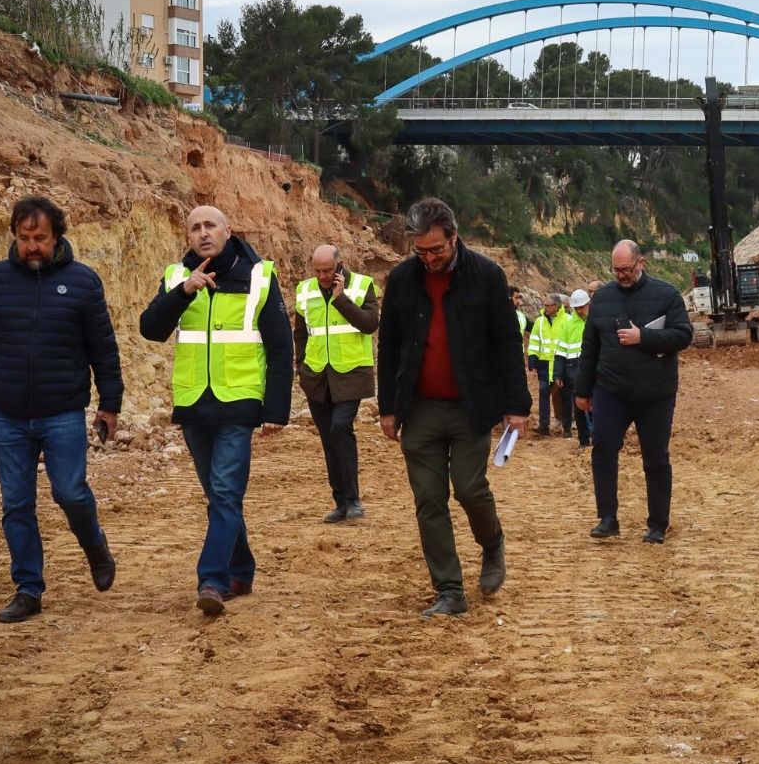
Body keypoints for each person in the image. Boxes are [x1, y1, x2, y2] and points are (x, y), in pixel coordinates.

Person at [0, 196, 123, 624]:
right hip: (7, 413)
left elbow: (104, 348)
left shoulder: (83, 282)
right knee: (16, 504)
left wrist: (110, 404)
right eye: (24, 238)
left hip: (62, 410)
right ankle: (28, 589)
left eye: (40, 238)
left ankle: (94, 544)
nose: (32, 246)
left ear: (57, 235)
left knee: (70, 492)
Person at [376, 198, 530, 617]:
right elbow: (387, 345)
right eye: (420, 251)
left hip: (471, 406)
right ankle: (450, 591)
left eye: (436, 250)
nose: (428, 259)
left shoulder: (486, 276)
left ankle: (492, 543)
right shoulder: (403, 280)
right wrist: (387, 407)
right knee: (428, 499)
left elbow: (506, 343)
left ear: (454, 237)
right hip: (420, 407)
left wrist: (517, 404)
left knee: (469, 487)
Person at [139, 205, 291, 616]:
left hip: (239, 402)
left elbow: (280, 346)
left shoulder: (259, 276)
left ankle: (212, 579)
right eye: (195, 228)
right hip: (193, 403)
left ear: (228, 230)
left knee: (225, 492)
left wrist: (276, 408)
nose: (203, 233)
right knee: (218, 495)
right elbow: (150, 329)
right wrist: (183, 291)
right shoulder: (176, 277)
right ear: (187, 236)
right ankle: (241, 569)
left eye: (210, 226)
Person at [575, 240, 693, 543]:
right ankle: (608, 518)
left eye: (626, 269)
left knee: (655, 458)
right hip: (611, 389)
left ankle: (657, 524)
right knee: (602, 449)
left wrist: (644, 337)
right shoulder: (602, 298)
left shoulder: (666, 295)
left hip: (656, 393)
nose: (621, 276)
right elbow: (590, 347)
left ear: (641, 263)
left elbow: (683, 335)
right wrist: (582, 390)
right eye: (616, 270)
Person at [292, 243, 379, 524]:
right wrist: (301, 368)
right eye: (317, 271)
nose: (322, 276)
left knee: (341, 427)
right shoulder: (304, 291)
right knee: (329, 439)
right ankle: (340, 503)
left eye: (328, 270)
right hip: (317, 377)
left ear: (339, 265)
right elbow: (301, 334)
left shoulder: (362, 286)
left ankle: (354, 500)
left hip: (350, 374)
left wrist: (341, 299)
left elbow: (369, 324)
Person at [553, 287, 592, 448]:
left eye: (582, 307)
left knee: (596, 406)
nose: (579, 311)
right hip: (573, 371)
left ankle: (597, 439)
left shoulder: (595, 321)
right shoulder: (569, 324)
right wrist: (558, 373)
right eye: (576, 308)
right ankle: (583, 441)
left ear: (588, 304)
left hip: (593, 371)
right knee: (578, 407)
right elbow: (561, 350)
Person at [526, 293, 567, 435]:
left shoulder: (566, 320)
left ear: (556, 306)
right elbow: (534, 340)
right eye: (545, 305)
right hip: (544, 363)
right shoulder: (540, 321)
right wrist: (532, 357)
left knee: (560, 394)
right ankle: (544, 425)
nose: (545, 308)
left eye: (548, 306)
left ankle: (563, 423)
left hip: (559, 363)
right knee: (543, 392)